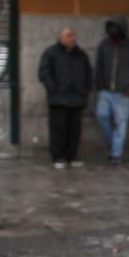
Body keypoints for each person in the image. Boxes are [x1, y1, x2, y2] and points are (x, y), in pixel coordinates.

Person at [38, 27, 92, 169]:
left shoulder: (81, 55)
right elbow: (44, 73)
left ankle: (72, 155)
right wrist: (53, 89)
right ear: (61, 37)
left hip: (76, 99)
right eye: (69, 36)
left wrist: (85, 91)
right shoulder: (51, 53)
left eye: (73, 35)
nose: (72, 39)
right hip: (58, 99)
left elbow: (88, 73)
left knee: (74, 130)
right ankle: (58, 156)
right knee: (58, 129)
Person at [95, 15, 129, 165]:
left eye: (115, 27)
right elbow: (99, 67)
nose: (112, 30)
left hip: (123, 93)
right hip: (106, 91)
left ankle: (115, 155)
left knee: (120, 124)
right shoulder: (104, 45)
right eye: (110, 27)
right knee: (101, 116)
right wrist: (99, 85)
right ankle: (112, 144)